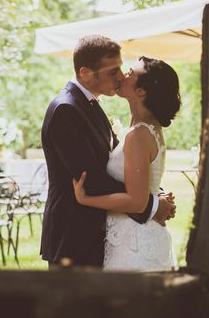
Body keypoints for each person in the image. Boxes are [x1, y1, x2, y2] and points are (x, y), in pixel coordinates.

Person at [40, 36, 176, 268]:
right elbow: (91, 180)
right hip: (74, 238)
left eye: (122, 69)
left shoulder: (90, 105)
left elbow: (125, 170)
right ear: (85, 73)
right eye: (113, 71)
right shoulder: (66, 110)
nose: (120, 76)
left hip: (102, 238)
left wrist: (153, 192)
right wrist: (151, 205)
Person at [72, 56, 180, 271]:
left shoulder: (139, 134)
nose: (122, 75)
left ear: (141, 91)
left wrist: (86, 199)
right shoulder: (144, 128)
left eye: (130, 73)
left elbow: (137, 202)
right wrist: (157, 199)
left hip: (135, 245)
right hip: (130, 238)